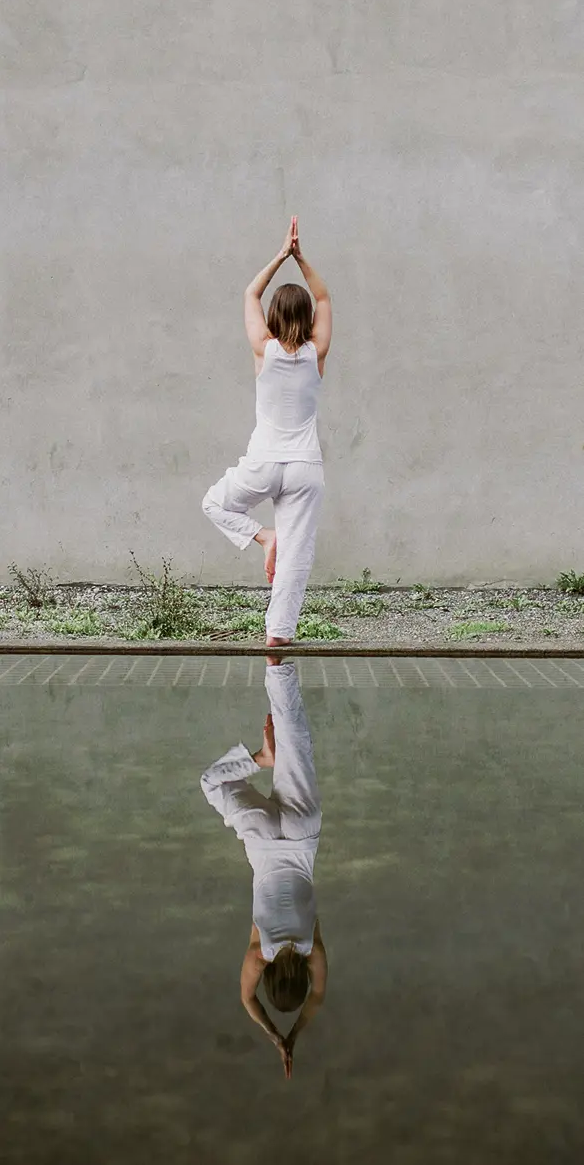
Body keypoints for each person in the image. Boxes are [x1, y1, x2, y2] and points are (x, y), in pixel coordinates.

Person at [201, 216, 333, 647]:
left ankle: (262, 537)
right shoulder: (316, 354)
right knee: (296, 556)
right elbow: (324, 295)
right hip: (304, 468)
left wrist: (281, 256)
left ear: (274, 317)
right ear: (308, 318)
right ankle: (278, 636)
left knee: (214, 503)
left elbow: (250, 292)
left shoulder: (265, 349)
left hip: (264, 462)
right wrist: (303, 258)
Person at [200, 659, 328, 1079]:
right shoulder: (261, 953)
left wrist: (296, 1031)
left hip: (303, 834)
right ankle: (260, 757)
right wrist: (276, 1036)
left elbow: (318, 999)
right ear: (271, 978)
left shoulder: (312, 948)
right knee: (212, 783)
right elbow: (246, 1001)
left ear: (302, 980)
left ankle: (279, 666)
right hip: (263, 840)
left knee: (298, 744)